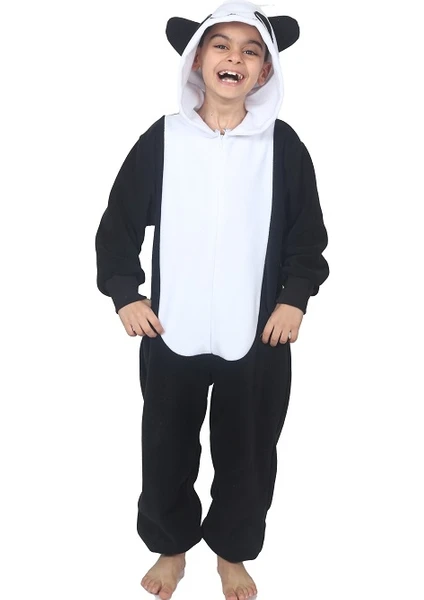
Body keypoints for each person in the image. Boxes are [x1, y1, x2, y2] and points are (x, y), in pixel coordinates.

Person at [95, 1, 330, 599]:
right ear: (197, 59)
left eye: (251, 51)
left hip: (257, 334)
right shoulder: (163, 140)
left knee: (249, 450)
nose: (235, 58)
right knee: (166, 445)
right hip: (171, 328)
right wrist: (125, 293)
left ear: (266, 71)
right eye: (221, 45)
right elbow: (118, 225)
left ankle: (232, 550)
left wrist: (294, 299)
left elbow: (307, 236)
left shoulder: (283, 147)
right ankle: (171, 546)